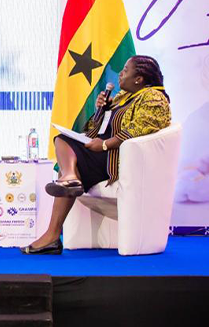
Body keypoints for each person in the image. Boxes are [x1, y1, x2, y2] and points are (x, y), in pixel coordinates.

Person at [23, 55, 172, 255]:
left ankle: (53, 231)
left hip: (119, 160)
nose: (120, 74)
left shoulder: (153, 97)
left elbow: (140, 128)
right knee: (62, 141)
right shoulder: (123, 97)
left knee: (65, 147)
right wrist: (102, 110)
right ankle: (68, 183)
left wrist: (104, 145)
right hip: (104, 155)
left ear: (139, 79)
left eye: (125, 70)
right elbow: (93, 130)